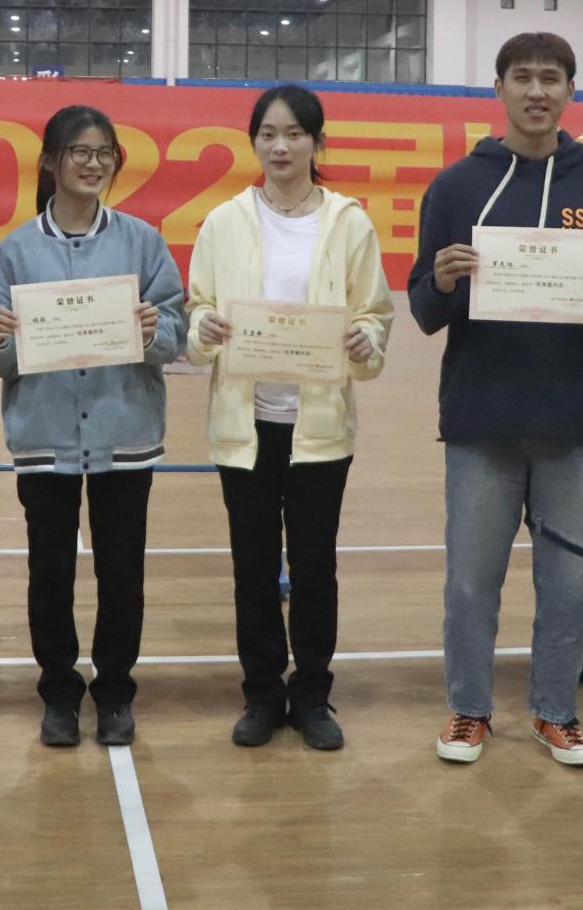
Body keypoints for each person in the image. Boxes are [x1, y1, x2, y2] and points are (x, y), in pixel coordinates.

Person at [407, 32, 583, 769]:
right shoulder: (455, 187)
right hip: (481, 421)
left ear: (571, 90)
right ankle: (469, 710)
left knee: (569, 583)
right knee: (470, 583)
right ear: (499, 88)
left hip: (573, 422)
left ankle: (556, 712)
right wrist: (443, 280)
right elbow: (424, 310)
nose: (536, 91)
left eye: (550, 78)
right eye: (522, 77)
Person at [186, 84, 393, 752]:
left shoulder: (348, 222)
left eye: (295, 133)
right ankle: (261, 695)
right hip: (245, 425)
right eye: (269, 134)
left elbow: (374, 312)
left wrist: (365, 338)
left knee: (313, 568)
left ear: (317, 142)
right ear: (254, 142)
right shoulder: (224, 221)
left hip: (319, 428)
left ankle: (311, 696)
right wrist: (204, 327)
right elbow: (197, 309)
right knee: (252, 569)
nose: (281, 146)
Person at [0, 105, 187, 748]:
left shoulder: (143, 243)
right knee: (50, 574)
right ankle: (59, 695)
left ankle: (115, 692)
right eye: (79, 152)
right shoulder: (16, 251)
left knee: (122, 574)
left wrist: (153, 331)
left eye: (103, 153)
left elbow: (175, 335)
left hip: (125, 433)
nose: (93, 164)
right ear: (50, 162)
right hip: (45, 436)